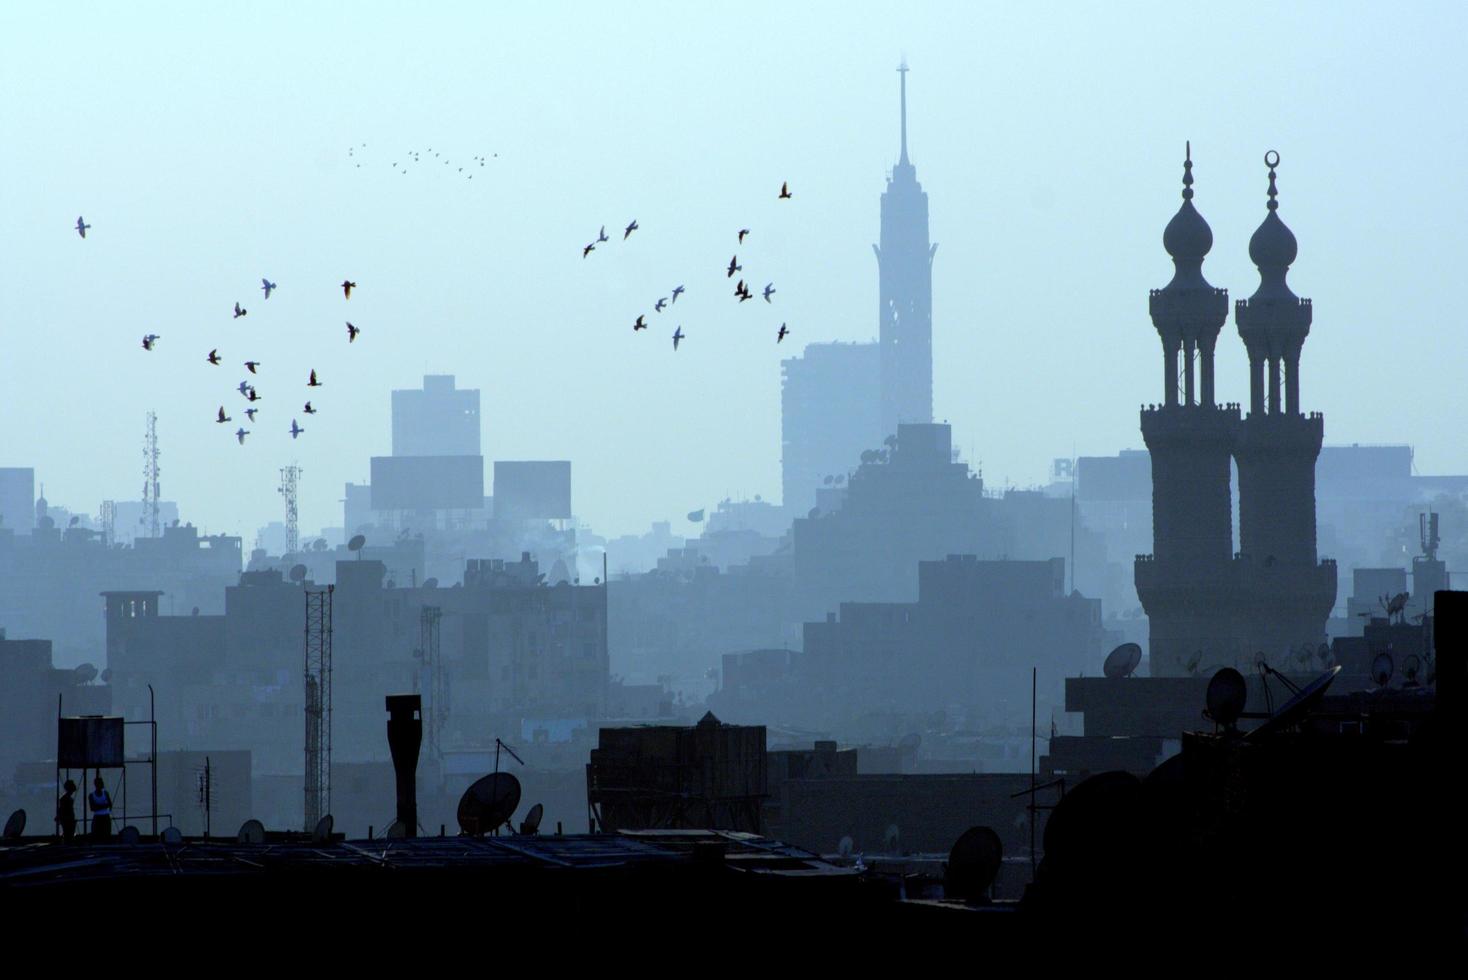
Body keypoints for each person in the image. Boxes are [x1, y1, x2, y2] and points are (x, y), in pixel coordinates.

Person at [88, 776, 112, 840]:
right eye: (101, 783)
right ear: (96, 784)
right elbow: (92, 808)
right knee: (97, 835)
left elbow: (110, 805)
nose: (102, 784)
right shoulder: (91, 795)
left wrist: (98, 806)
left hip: (106, 816)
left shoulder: (105, 793)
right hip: (98, 817)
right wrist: (104, 805)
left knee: (107, 835)